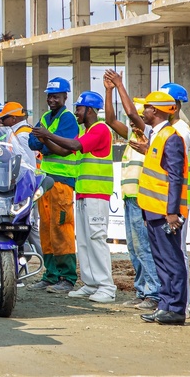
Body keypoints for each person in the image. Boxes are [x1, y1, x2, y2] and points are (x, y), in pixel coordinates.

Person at [33, 90, 117, 303]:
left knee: (96, 239)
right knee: (86, 241)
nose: (76, 112)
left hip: (97, 194)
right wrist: (45, 138)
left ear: (89, 109)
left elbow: (74, 146)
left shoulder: (100, 129)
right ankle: (90, 284)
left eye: (79, 108)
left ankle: (106, 287)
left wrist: (48, 135)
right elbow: (63, 152)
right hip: (83, 193)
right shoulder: (86, 131)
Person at [103, 71, 161, 311]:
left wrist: (119, 85)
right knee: (134, 247)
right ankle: (142, 290)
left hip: (141, 198)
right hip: (130, 198)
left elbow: (129, 114)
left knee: (143, 246)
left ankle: (153, 293)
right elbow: (109, 119)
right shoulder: (132, 137)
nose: (131, 121)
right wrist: (108, 91)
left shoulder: (147, 134)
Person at [132, 91, 189, 325]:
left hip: (166, 213)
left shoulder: (171, 137)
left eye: (146, 108)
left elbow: (176, 178)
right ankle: (165, 305)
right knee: (161, 261)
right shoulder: (157, 136)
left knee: (172, 261)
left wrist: (172, 212)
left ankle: (175, 308)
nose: (143, 111)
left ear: (155, 111)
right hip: (154, 211)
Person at [28, 77, 80, 293]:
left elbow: (64, 148)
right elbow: (33, 143)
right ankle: (50, 276)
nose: (51, 99)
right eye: (49, 95)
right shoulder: (46, 117)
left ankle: (67, 278)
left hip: (62, 182)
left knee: (62, 229)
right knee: (47, 230)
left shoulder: (68, 119)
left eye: (55, 96)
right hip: (46, 182)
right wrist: (49, 141)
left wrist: (46, 140)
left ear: (65, 97)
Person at [159, 81, 190, 316]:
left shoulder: (181, 131)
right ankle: (172, 300)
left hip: (179, 200)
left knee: (178, 252)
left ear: (173, 106)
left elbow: (174, 169)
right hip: (172, 198)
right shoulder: (171, 130)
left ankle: (182, 303)